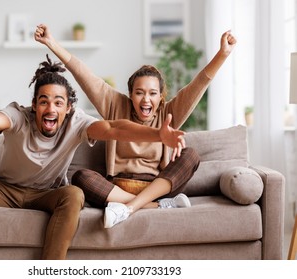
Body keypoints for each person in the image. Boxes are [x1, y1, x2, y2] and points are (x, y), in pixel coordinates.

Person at [0, 55, 186, 260]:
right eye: (44, 102)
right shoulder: (19, 116)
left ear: (68, 108)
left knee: (74, 194)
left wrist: (158, 135)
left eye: (58, 102)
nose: (51, 109)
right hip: (5, 189)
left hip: (47, 194)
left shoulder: (77, 122)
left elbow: (113, 128)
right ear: (34, 105)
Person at [34, 24, 237, 229]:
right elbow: (83, 74)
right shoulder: (115, 105)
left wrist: (222, 54)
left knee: (191, 155)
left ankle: (130, 208)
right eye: (139, 92)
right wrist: (52, 43)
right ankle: (156, 207)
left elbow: (199, 83)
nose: (145, 99)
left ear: (161, 97)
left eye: (152, 93)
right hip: (118, 187)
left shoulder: (169, 113)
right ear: (131, 95)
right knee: (80, 177)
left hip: (158, 186)